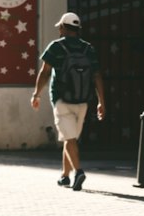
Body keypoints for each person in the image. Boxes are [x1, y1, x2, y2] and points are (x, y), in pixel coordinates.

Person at [31, 10, 105, 191]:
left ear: (63, 28)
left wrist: (36, 94)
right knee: (70, 138)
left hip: (62, 99)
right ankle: (65, 176)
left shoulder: (56, 47)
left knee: (69, 138)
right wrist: (101, 101)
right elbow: (96, 75)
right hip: (83, 101)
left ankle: (78, 172)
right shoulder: (88, 49)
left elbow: (45, 72)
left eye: (60, 27)